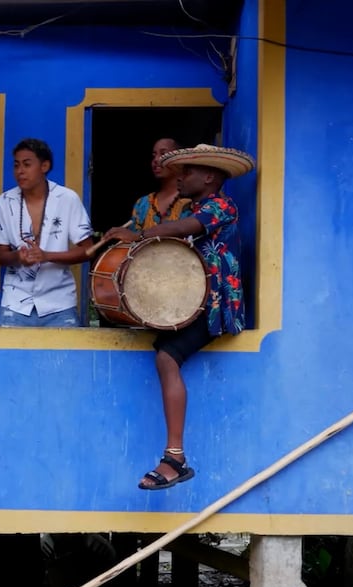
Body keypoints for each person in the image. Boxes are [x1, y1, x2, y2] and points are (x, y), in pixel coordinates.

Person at [129, 144, 254, 490]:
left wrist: (137, 235)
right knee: (164, 351)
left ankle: (175, 458)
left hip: (216, 306)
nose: (180, 177)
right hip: (198, 304)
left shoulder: (220, 206)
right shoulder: (199, 207)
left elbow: (180, 228)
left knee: (168, 357)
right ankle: (174, 457)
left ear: (210, 176)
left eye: (188, 172)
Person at [0, 139, 94, 327]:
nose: (20, 171)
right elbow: (2, 257)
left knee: (64, 357)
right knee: (13, 357)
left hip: (59, 304)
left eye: (27, 164)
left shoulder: (67, 199)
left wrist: (47, 256)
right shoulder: (4, 202)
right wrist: (18, 257)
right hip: (15, 303)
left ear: (44, 166)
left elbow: (89, 250)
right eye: (16, 165)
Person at [101, 136, 193, 246]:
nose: (156, 159)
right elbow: (131, 246)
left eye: (163, 154)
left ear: (178, 160)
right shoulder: (143, 203)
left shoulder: (191, 201)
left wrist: (138, 236)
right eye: (154, 155)